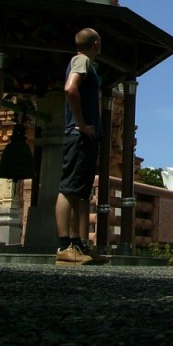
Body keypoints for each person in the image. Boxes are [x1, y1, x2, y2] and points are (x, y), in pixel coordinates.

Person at [55, 28, 102, 264]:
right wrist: (81, 124)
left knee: (80, 193)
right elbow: (70, 88)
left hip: (86, 136)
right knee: (69, 188)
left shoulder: (87, 63)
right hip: (78, 134)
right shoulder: (81, 60)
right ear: (95, 43)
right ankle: (64, 246)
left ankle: (78, 244)